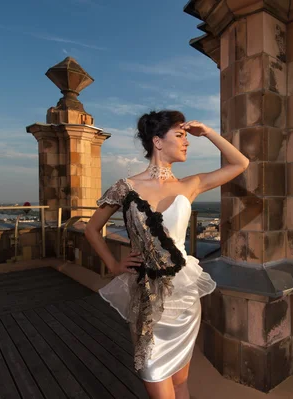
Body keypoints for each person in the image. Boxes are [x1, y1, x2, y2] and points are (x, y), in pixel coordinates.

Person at [85, 110, 249, 399]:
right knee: (155, 376)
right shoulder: (126, 187)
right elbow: (92, 229)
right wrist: (112, 263)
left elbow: (240, 163)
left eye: (186, 136)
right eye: (180, 136)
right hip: (147, 296)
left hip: (183, 297)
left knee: (181, 383)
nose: (187, 143)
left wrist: (208, 132)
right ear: (157, 141)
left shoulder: (191, 184)